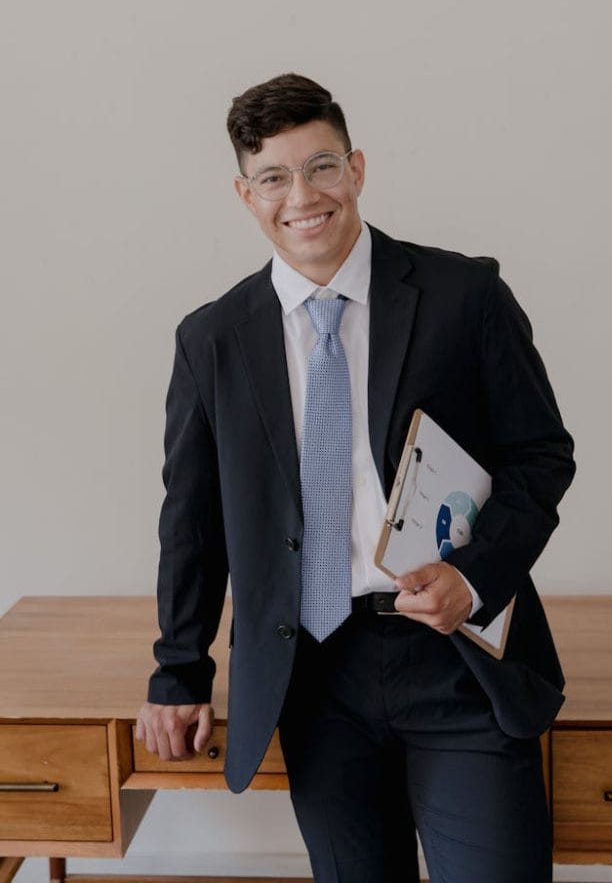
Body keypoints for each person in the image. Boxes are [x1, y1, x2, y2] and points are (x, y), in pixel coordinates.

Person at [136, 72, 576, 883]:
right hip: (314, 678)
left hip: (455, 662)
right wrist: (178, 669)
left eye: (322, 167)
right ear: (245, 193)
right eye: (274, 176)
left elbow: (540, 456)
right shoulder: (213, 339)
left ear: (358, 169)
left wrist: (472, 577)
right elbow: (190, 525)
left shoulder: (463, 294)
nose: (301, 195)